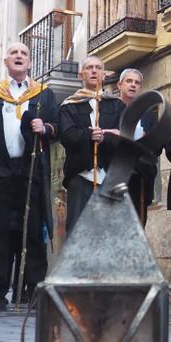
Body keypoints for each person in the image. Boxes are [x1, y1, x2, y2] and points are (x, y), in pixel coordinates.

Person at [0, 43, 58, 311]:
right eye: (14, 53)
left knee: (32, 232)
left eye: (24, 54)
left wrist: (46, 127)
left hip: (32, 172)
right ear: (6, 62)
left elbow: (57, 128)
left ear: (29, 63)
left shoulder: (44, 94)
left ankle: (32, 290)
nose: (19, 57)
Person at [58, 56, 123, 233]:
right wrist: (89, 135)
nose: (94, 71)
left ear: (104, 74)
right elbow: (67, 136)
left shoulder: (117, 105)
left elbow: (124, 138)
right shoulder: (69, 106)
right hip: (81, 177)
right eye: (89, 68)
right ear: (81, 75)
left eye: (98, 68)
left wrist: (105, 138)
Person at [115, 68, 158, 224]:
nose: (133, 85)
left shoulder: (147, 114)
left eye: (137, 83)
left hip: (140, 179)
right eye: (129, 81)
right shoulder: (110, 110)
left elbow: (157, 147)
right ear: (119, 85)